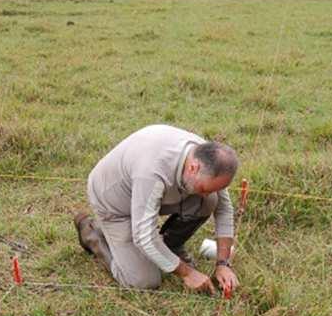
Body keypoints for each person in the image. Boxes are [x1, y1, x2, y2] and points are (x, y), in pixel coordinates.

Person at [74, 124, 240, 294]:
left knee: (210, 201)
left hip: (145, 193)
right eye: (205, 188)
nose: (206, 194)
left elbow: (224, 208)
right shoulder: (153, 171)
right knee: (144, 281)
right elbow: (144, 235)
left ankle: (170, 246)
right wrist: (187, 273)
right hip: (114, 205)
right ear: (193, 168)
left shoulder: (207, 158)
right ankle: (93, 234)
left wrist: (223, 264)